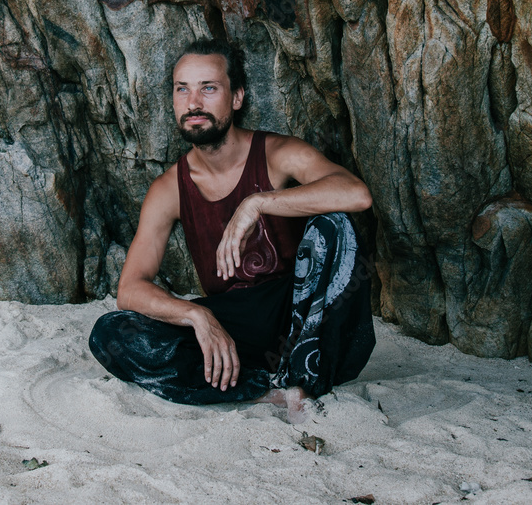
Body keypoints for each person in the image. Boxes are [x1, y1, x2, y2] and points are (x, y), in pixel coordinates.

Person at [88, 39, 376, 423]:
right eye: (182, 89)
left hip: (304, 320)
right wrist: (196, 316)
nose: (194, 103)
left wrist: (257, 203)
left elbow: (356, 194)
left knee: (335, 223)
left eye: (208, 88)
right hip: (235, 327)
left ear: (236, 97)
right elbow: (131, 288)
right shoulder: (168, 188)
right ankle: (265, 390)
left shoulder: (277, 154)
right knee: (112, 332)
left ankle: (303, 378)